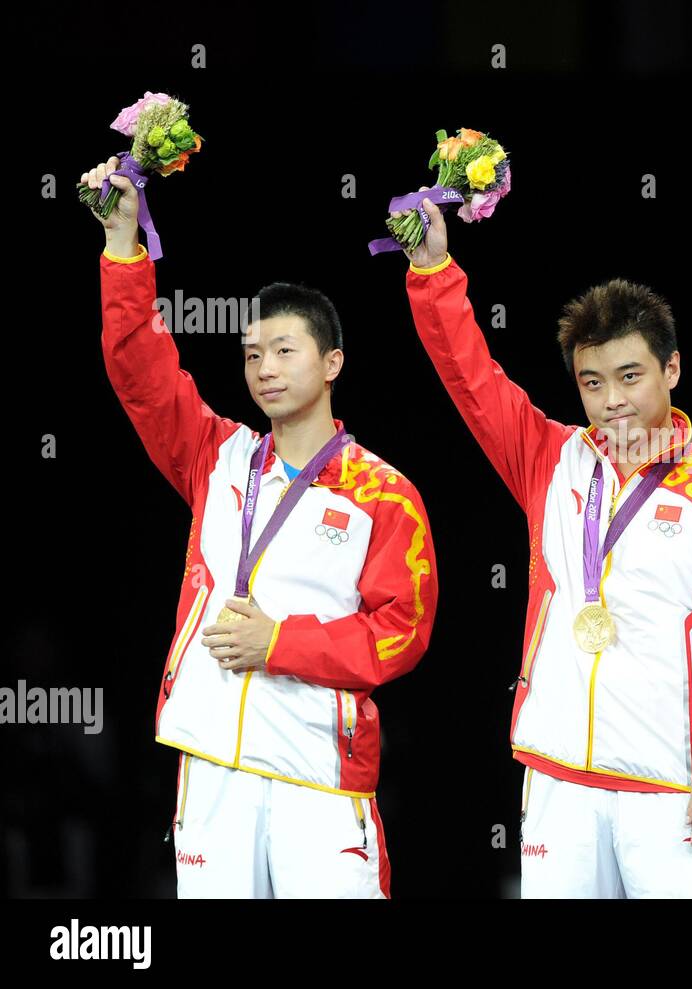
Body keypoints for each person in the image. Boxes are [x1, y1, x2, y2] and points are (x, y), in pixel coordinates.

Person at [395, 192, 692, 898]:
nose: (611, 399)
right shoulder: (550, 460)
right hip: (556, 780)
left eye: (630, 376)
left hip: (673, 787)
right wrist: (433, 271)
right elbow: (470, 377)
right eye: (592, 381)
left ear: (672, 369)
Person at [83, 156, 438, 898]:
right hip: (211, 764)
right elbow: (140, 373)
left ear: (332, 361)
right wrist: (124, 246)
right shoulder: (219, 457)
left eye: (284, 350)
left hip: (319, 770)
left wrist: (279, 642)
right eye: (251, 354)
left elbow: (402, 630)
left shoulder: (385, 494)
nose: (264, 368)